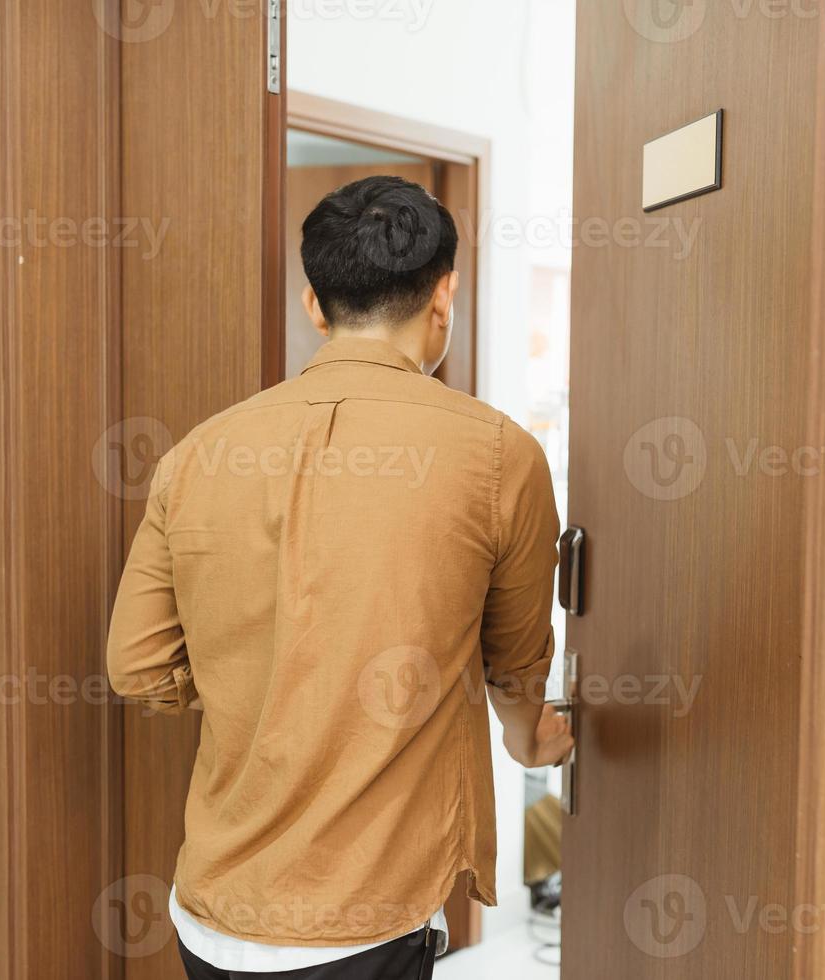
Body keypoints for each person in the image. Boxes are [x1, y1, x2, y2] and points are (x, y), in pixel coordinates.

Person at [107, 175, 574, 980]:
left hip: (210, 913)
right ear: (443, 294)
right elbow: (514, 662)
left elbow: (137, 666)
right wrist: (526, 734)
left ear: (313, 306)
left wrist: (258, 686)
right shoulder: (498, 456)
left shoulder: (196, 455)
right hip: (367, 922)